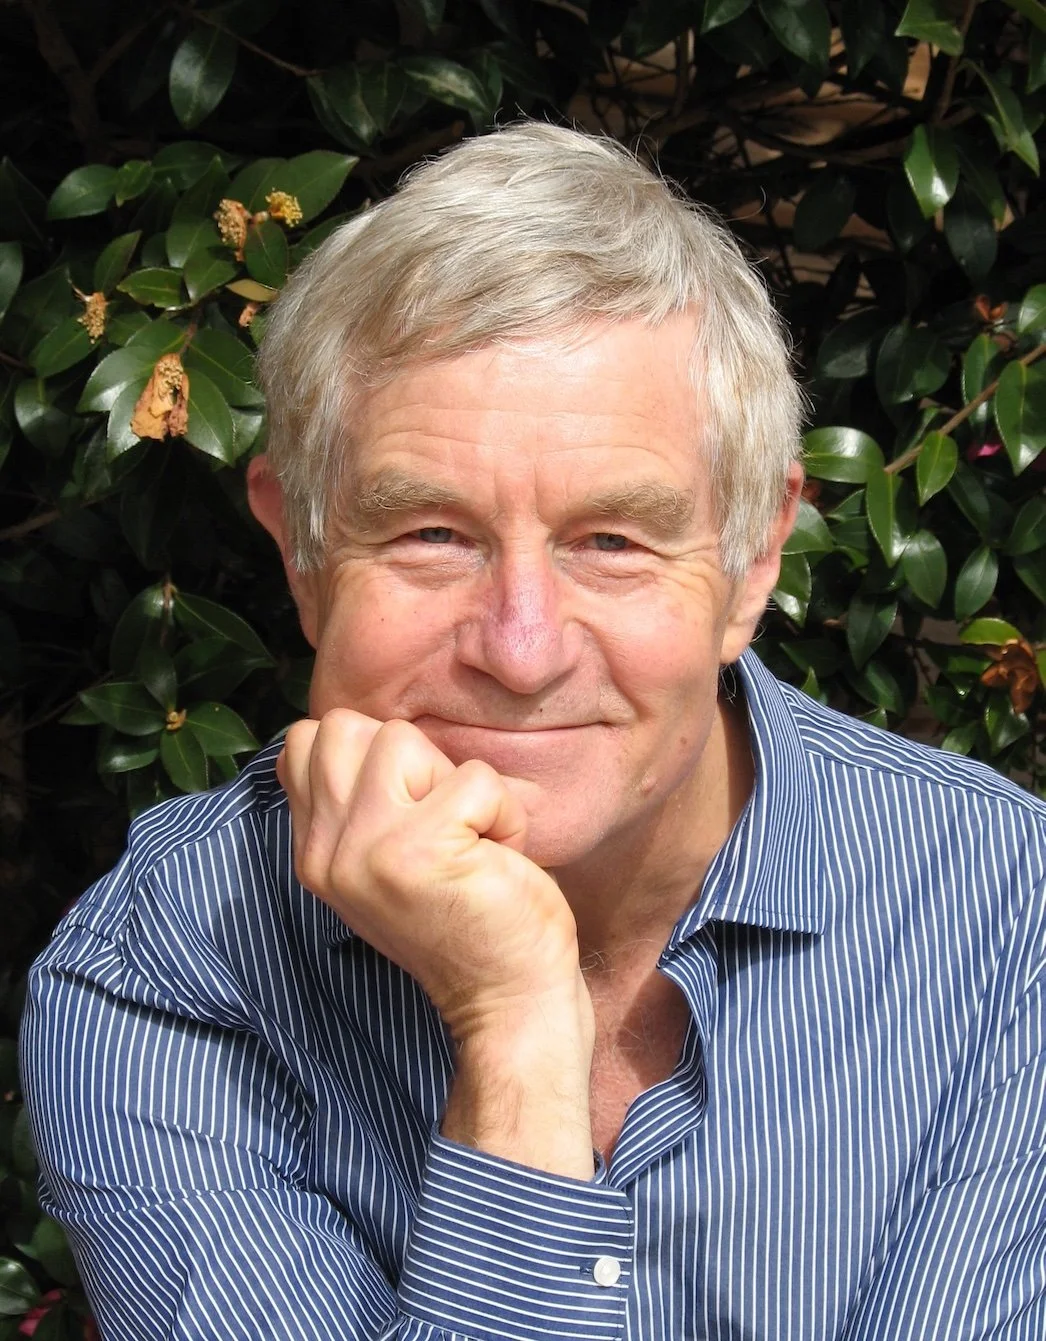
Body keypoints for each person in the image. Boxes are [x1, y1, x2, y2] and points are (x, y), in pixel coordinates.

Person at [20, 122, 1045, 1341]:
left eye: (611, 541)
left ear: (752, 561)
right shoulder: (168, 963)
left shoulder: (1002, 919)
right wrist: (514, 1029)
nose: (519, 649)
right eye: (429, 535)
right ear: (299, 547)